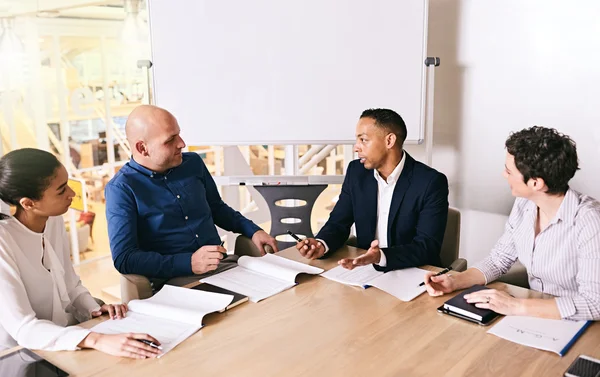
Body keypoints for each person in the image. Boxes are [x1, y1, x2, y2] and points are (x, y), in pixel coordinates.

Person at [425, 126, 600, 321]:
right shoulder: (525, 203)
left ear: (536, 183)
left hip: (580, 324)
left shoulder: (590, 221)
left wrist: (515, 306)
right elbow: (499, 259)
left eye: (509, 171)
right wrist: (455, 281)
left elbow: (594, 303)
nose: (503, 175)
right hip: (535, 314)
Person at [0, 148, 161, 358]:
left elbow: (70, 283)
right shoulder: (4, 241)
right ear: (28, 203)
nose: (72, 194)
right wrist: (97, 340)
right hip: (24, 354)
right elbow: (23, 327)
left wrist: (92, 308)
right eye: (61, 190)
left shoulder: (53, 219)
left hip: (67, 337)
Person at [105, 105, 278, 287]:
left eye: (179, 134)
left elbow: (217, 208)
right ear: (143, 148)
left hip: (223, 268)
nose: (182, 143)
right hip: (175, 283)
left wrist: (253, 230)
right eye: (170, 140)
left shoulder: (193, 163)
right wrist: (189, 262)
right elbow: (124, 258)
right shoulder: (121, 189)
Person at [296, 108, 449, 271]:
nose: (356, 148)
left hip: (415, 273)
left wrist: (381, 257)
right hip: (365, 272)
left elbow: (427, 246)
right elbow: (338, 223)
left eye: (363, 140)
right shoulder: (356, 172)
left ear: (389, 141)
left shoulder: (430, 182)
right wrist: (321, 244)